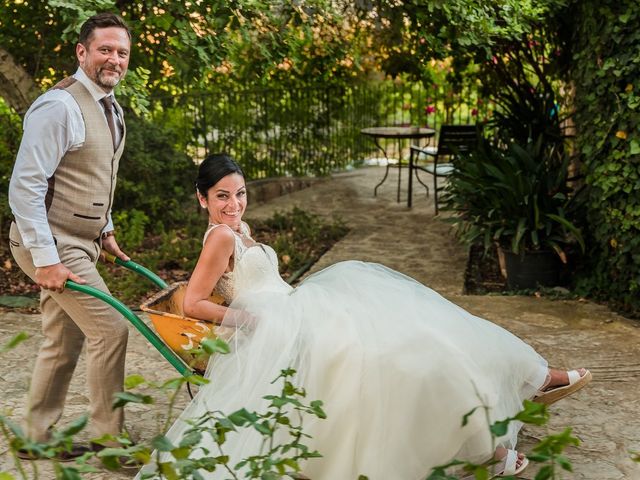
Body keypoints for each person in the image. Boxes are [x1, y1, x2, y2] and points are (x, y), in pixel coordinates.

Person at [140, 154, 592, 479]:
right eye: (222, 197)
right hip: (276, 322)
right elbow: (195, 303)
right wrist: (254, 322)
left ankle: (524, 385)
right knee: (397, 351)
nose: (234, 205)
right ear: (202, 199)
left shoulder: (238, 230)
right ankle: (511, 410)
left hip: (294, 308)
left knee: (413, 325)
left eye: (239, 195)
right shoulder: (220, 237)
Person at [8, 12, 133, 461]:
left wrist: (107, 229)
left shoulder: (110, 105)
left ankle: (33, 437)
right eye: (104, 49)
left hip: (82, 241)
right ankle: (109, 442)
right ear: (82, 52)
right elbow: (25, 186)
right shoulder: (58, 106)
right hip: (49, 242)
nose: (113, 59)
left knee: (64, 339)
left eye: (121, 51)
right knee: (111, 329)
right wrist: (45, 259)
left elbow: (98, 177)